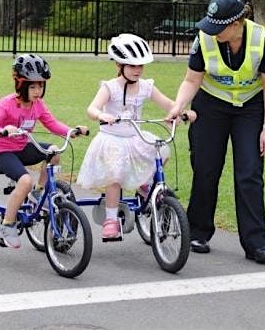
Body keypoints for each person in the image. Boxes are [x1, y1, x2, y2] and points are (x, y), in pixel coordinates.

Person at [166, 0, 265, 263]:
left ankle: (256, 244)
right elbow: (192, 80)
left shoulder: (263, 40)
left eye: (218, 27)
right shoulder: (205, 39)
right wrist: (178, 106)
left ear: (236, 24)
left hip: (250, 108)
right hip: (211, 104)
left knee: (249, 173)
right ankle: (198, 232)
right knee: (205, 168)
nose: (212, 32)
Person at [76, 33, 196, 241]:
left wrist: (181, 112)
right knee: (114, 176)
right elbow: (92, 108)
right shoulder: (110, 87)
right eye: (132, 66)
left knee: (162, 151)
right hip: (112, 139)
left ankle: (145, 185)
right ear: (119, 64)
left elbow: (169, 104)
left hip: (135, 137)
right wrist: (101, 115)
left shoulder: (146, 87)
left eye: (140, 66)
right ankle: (111, 220)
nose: (137, 70)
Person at [0, 53, 89, 249]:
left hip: (23, 147)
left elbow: (52, 123)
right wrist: (2, 131)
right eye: (32, 87)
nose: (37, 91)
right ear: (20, 85)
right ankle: (7, 225)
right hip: (3, 151)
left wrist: (71, 131)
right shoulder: (7, 103)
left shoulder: (38, 105)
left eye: (41, 86)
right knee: (25, 181)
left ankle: (38, 193)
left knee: (54, 152)